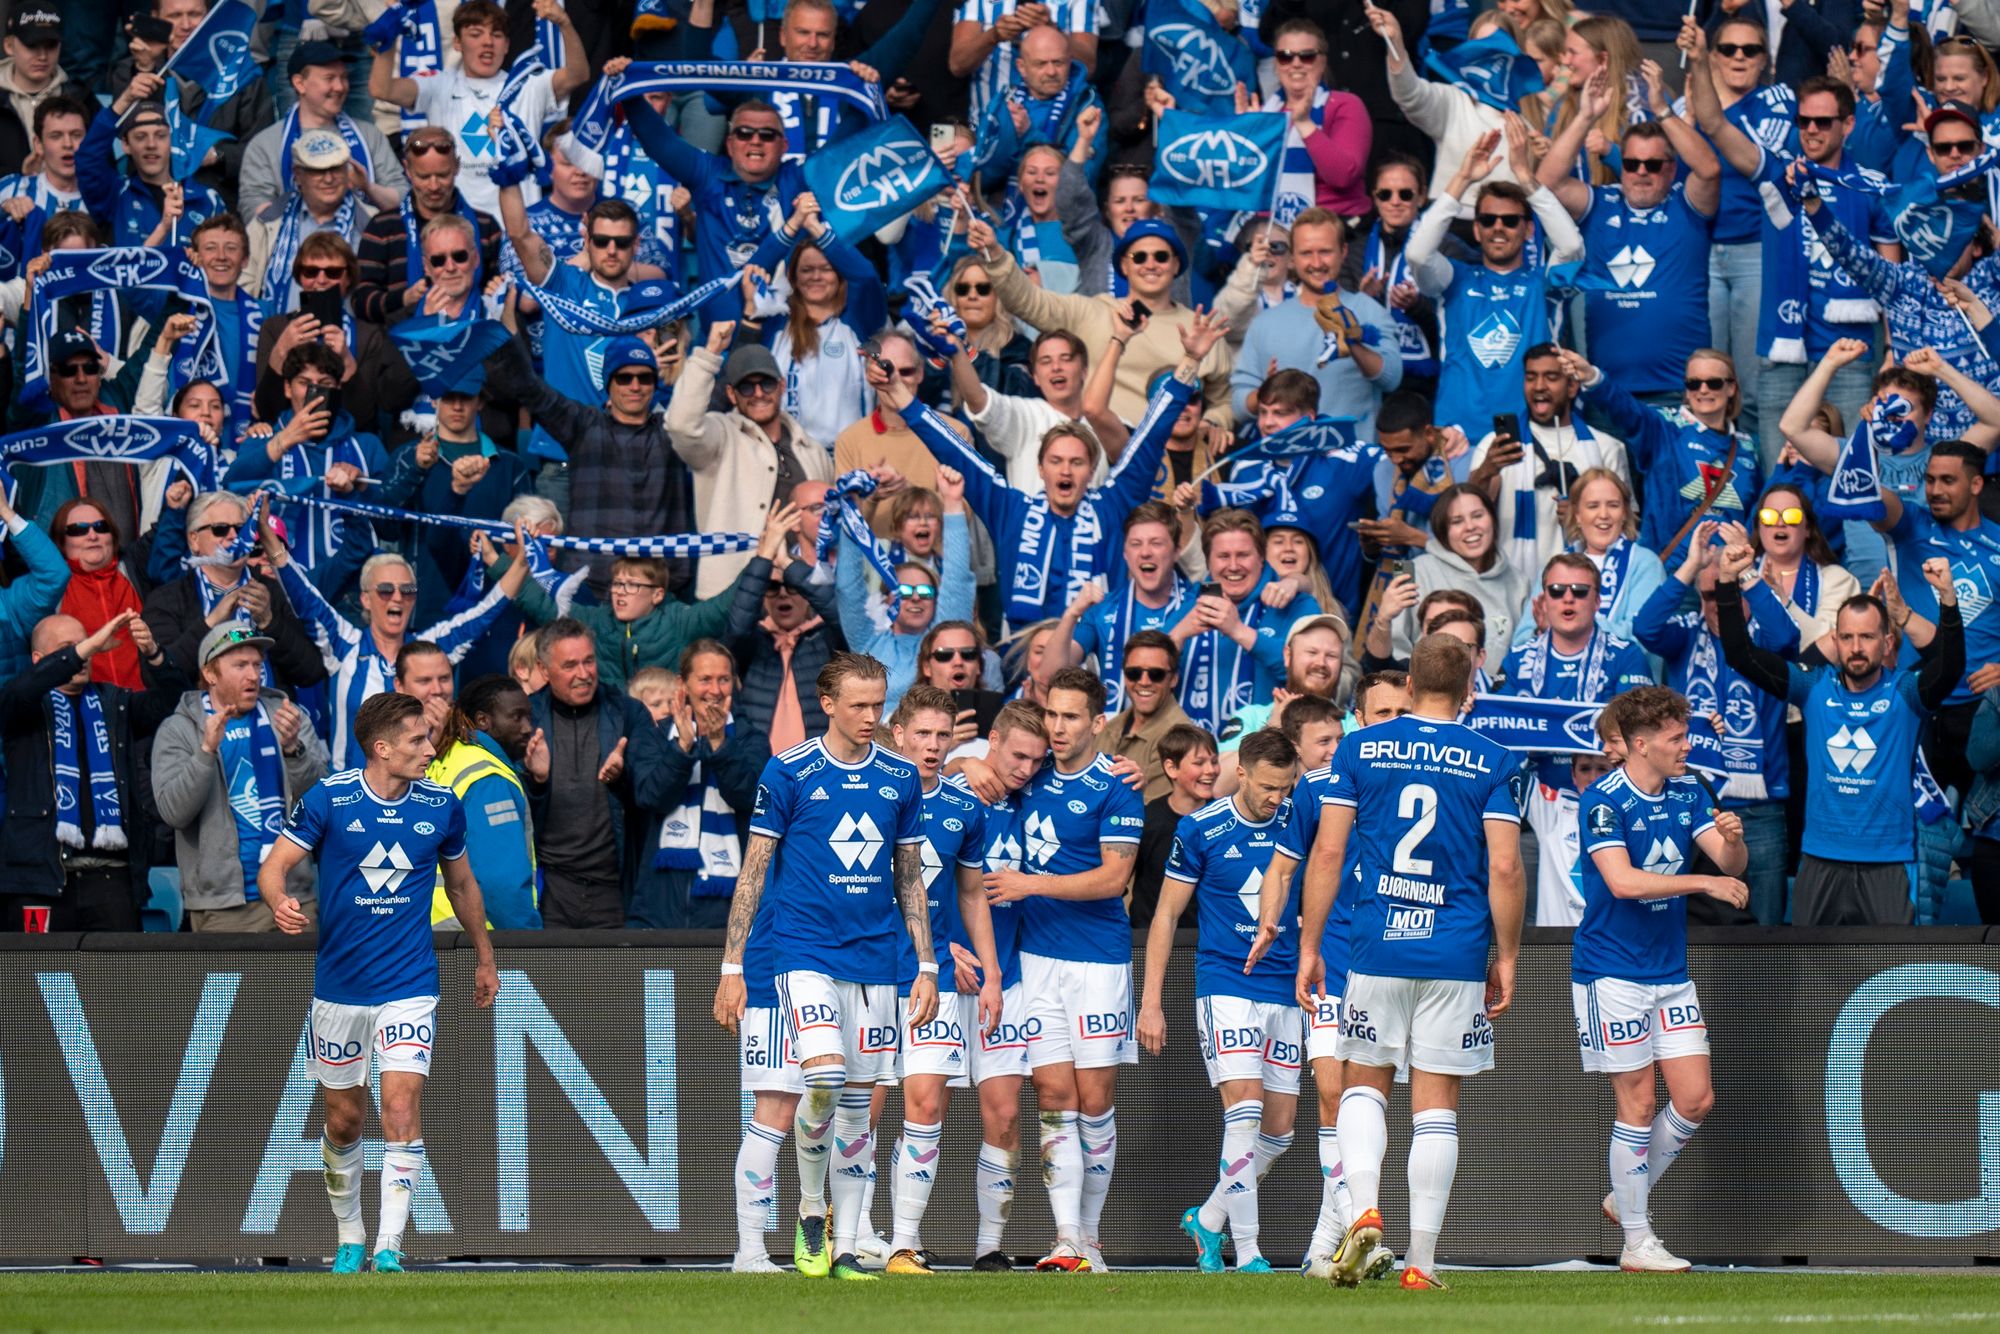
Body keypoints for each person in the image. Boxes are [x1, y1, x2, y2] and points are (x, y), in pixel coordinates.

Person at [1297, 633, 1526, 1290]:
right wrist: (1506, 954)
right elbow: (1506, 867)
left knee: (1365, 1081)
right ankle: (1422, 1263)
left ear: (1409, 683)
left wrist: (1311, 946)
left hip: (1375, 945)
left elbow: (1329, 856)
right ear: (1468, 688)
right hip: (1454, 950)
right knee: (1436, 1104)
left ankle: (1365, 1212)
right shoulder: (1495, 759)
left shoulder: (1360, 747)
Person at [260, 691, 499, 1274]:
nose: (428, 747)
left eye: (429, 737)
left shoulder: (442, 806)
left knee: (401, 1106)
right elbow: (273, 869)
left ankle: (389, 1246)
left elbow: (464, 885)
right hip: (340, 988)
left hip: (410, 983)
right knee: (344, 1120)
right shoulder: (330, 799)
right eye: (417, 740)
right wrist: (279, 902)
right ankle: (349, 1235)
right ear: (381, 748)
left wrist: (485, 956)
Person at [712, 653, 931, 1283]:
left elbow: (909, 876)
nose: (870, 717)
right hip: (799, 953)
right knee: (816, 1086)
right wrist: (732, 965)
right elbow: (752, 872)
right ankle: (793, 1222)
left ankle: (843, 1250)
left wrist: (925, 963)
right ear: (826, 703)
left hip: (876, 960)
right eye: (858, 705)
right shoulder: (789, 771)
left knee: (859, 1108)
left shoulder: (899, 777)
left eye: (878, 704)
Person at [889, 307, 1219, 629]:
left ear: (1091, 471)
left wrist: (1190, 362)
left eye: (1076, 463)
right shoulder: (1012, 510)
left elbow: (1151, 436)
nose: (1065, 471)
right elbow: (955, 452)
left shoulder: (1112, 506)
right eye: (1056, 462)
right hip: (1026, 655)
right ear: (1041, 468)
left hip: (1097, 656)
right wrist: (898, 394)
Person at [1574, 685, 1749, 1272]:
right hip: (1612, 971)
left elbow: (1730, 868)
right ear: (1641, 744)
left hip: (1669, 971)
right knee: (1639, 1102)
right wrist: (1704, 884)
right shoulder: (1603, 800)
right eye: (1676, 737)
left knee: (1696, 1100)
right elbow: (1623, 883)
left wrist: (1732, 842)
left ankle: (1625, 1198)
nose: (1686, 745)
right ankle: (1637, 1241)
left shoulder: (1688, 790)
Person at [1714, 541, 1962, 926]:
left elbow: (1950, 666)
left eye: (1867, 637)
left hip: (1890, 860)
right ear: (1836, 640)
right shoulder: (1812, 686)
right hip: (1820, 858)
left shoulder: (1906, 694)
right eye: (1846, 637)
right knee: (1812, 979)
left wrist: (1947, 597)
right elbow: (1740, 654)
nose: (1856, 648)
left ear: (1887, 642)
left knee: (1894, 979)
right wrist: (1728, 580)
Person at [1253, 669, 1409, 1278]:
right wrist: (1272, 921)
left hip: (1402, 964)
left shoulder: (1438, 781)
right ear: (1359, 721)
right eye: (1380, 713)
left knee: (1366, 1102)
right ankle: (1354, 1228)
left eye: (1403, 711)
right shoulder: (1320, 787)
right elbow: (1281, 868)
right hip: (1334, 962)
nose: (1391, 723)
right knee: (1331, 1091)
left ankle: (1329, 1239)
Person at [993, 666, 1145, 1273]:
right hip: (1036, 961)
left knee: (1095, 1100)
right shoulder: (1025, 776)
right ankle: (1066, 1238)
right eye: (1051, 714)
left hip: (1099, 962)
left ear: (1097, 723)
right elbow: (967, 772)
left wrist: (1031, 884)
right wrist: (966, 766)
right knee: (1054, 1096)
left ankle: (1092, 1235)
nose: (1057, 728)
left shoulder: (1117, 784)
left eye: (1071, 717)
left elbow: (1115, 877)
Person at [1141, 729, 1301, 1274]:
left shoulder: (1299, 821)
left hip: (1287, 989)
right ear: (1243, 774)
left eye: (1286, 786)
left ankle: (1208, 1219)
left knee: (1279, 1134)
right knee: (1247, 1114)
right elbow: (1164, 916)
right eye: (1268, 787)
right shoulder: (1201, 829)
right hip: (1226, 985)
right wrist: (1151, 1001)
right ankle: (1249, 1252)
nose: (1277, 797)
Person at [869, 685, 1004, 1274]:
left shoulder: (964, 807)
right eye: (920, 734)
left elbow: (973, 893)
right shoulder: (867, 794)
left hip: (939, 978)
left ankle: (903, 1243)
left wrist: (991, 971)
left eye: (941, 736)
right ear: (897, 734)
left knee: (925, 1105)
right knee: (860, 1110)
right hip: (868, 969)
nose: (931, 746)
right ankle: (840, 1230)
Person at [1631, 521, 1798, 926]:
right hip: (1690, 803)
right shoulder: (1685, 636)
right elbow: (1645, 627)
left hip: (1758, 811)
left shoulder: (1764, 641)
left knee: (1767, 933)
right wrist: (1690, 566)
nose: (1719, 604)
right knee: (1692, 928)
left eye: (1729, 593)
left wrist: (1746, 574)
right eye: (1708, 595)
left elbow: (1788, 636)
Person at [940, 698, 1051, 1272]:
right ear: (993, 741)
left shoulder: (1038, 800)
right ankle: (876, 1234)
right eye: (1017, 755)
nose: (1027, 768)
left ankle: (988, 1246)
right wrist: (959, 764)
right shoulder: (950, 795)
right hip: (934, 975)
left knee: (1004, 1113)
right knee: (906, 1107)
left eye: (1038, 758)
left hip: (1001, 980)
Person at [1539, 61, 1722, 403]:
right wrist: (1585, 117)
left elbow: (1709, 169)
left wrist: (1663, 111)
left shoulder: (1686, 203)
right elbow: (1546, 185)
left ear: (1671, 169)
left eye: (1652, 165)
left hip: (1679, 392)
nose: (1640, 172)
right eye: (1631, 163)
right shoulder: (1601, 201)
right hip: (1607, 390)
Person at [271, 527, 525, 772]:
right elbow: (303, 595)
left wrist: (523, 560)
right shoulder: (345, 644)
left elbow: (484, 614)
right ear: (365, 599)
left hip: (410, 797)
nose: (397, 597)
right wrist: (265, 532)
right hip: (347, 799)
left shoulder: (429, 651)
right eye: (385, 590)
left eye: (407, 590)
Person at [0, 611, 183, 931]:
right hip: (40, 880)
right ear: (38, 659)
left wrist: (154, 653)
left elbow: (172, 702)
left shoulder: (115, 703)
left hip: (110, 878)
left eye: (86, 644)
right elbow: (20, 690)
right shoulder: (23, 706)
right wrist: (85, 648)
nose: (83, 653)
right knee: (41, 980)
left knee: (114, 981)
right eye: (68, 648)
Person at [1403, 126, 1584, 440]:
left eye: (1510, 220)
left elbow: (1570, 247)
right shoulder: (1454, 279)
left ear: (1528, 230)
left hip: (1531, 437)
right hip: (1459, 437)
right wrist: (1461, 179)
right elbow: (1418, 254)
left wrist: (1526, 177)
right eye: (1488, 220)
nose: (1498, 228)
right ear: (1476, 229)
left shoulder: (1544, 284)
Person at [152, 622, 329, 933]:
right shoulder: (179, 729)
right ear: (210, 674)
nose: (253, 674)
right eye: (240, 665)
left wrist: (293, 751)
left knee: (298, 984)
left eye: (257, 665)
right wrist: (206, 751)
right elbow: (174, 812)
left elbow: (322, 804)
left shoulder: (287, 717)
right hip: (222, 907)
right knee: (225, 986)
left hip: (291, 898)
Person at [522, 617, 676, 929]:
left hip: (614, 887)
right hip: (550, 888)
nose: (583, 674)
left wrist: (621, 780)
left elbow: (656, 794)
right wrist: (535, 781)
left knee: (615, 979)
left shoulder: (628, 712)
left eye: (589, 661)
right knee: (552, 979)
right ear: (543, 669)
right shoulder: (525, 717)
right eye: (570, 665)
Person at [367, 0, 587, 216]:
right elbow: (381, 89)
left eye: (497, 35)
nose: (487, 42)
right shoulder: (438, 85)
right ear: (457, 43)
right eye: (475, 34)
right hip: (460, 230)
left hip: (518, 230)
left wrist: (565, 24)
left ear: (507, 45)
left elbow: (578, 75)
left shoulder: (528, 84)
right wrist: (389, 34)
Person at [667, 323, 832, 598]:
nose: (758, 393)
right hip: (734, 593)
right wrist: (709, 354)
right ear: (731, 394)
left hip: (804, 594)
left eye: (766, 383)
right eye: (746, 387)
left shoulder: (812, 450)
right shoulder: (719, 435)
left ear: (781, 387)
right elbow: (680, 425)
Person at [1570, 343, 1762, 570]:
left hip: (1725, 573)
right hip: (1669, 573)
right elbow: (1627, 410)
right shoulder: (1665, 428)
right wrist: (1593, 378)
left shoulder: (1747, 447)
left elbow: (1755, 514)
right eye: (1693, 383)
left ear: (1731, 388)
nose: (1703, 390)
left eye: (1714, 383)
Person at [1467, 345, 1632, 589]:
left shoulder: (1606, 448)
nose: (1539, 386)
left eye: (1551, 377)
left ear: (1573, 386)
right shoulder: (1495, 445)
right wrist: (1487, 471)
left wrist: (1581, 519)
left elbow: (1627, 526)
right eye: (1531, 377)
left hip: (1579, 590)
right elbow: (1468, 512)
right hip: (1509, 587)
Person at [633, 640, 771, 931]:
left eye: (723, 680)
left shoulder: (751, 739)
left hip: (728, 914)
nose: (715, 690)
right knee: (659, 979)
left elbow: (748, 798)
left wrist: (720, 744)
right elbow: (652, 797)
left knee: (711, 978)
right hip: (659, 908)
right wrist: (682, 747)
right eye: (705, 679)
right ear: (683, 684)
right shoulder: (656, 736)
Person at [1232, 209, 1402, 440]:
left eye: (1325, 252)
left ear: (1343, 252)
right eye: (1306, 253)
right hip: (1285, 464)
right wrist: (1267, 390)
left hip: (1352, 464)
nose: (1316, 263)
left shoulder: (1369, 311)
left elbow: (1392, 378)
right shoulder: (1264, 323)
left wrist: (1353, 343)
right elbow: (1239, 406)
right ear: (1292, 259)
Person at [140, 491, 328, 695]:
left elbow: (311, 672)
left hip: (272, 720)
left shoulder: (273, 590)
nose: (233, 536)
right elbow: (158, 678)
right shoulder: (167, 599)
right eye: (220, 529)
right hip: (201, 723)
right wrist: (212, 622)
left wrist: (270, 622)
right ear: (194, 540)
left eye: (240, 529)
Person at [1172, 509, 1328, 735]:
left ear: (1261, 557)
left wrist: (1239, 631)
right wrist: (1177, 636)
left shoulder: (1298, 605)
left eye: (1243, 555)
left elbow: (1311, 676)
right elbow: (1146, 669)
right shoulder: (1191, 602)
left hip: (1265, 750)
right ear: (1208, 560)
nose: (1233, 566)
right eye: (1223, 556)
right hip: (1189, 753)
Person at [238, 41, 406, 220]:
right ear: (300, 84)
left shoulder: (370, 136)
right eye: (329, 78)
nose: (340, 87)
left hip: (361, 244)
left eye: (343, 77)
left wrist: (368, 188)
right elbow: (253, 211)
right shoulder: (266, 144)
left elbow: (403, 199)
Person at [351, 126, 502, 326]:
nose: (433, 186)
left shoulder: (485, 226)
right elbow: (360, 301)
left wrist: (498, 290)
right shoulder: (382, 227)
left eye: (442, 175)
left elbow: (498, 293)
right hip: (399, 349)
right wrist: (405, 299)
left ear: (457, 167)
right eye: (423, 177)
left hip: (475, 342)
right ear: (407, 170)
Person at [427, 673, 541, 931]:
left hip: (435, 935)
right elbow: (501, 883)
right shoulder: (488, 777)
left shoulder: (448, 759)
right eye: (516, 717)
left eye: (529, 717)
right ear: (483, 721)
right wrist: (528, 942)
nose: (527, 727)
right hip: (477, 938)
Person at [1391, 486, 1528, 670]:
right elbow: (1395, 650)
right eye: (1457, 521)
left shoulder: (1518, 581)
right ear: (1442, 531)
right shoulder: (1415, 571)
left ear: (1493, 519)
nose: (1470, 527)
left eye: (1478, 515)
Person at [50, 498, 149, 688]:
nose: (92, 535)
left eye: (101, 527)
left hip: (142, 705)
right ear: (61, 542)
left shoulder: (134, 567)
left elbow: (166, 534)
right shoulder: (51, 587)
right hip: (86, 709)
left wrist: (175, 506)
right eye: (79, 529)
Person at [1130, 722, 1219, 931]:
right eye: (1199, 763)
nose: (1210, 770)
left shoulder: (1226, 817)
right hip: (1149, 942)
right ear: (1171, 768)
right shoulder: (1148, 819)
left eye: (1214, 761)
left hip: (1209, 947)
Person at [1098, 631, 1195, 804]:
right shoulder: (1109, 727)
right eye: (1134, 673)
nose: (1144, 681)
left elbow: (1152, 814)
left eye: (1156, 674)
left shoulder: (1182, 739)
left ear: (1173, 679)